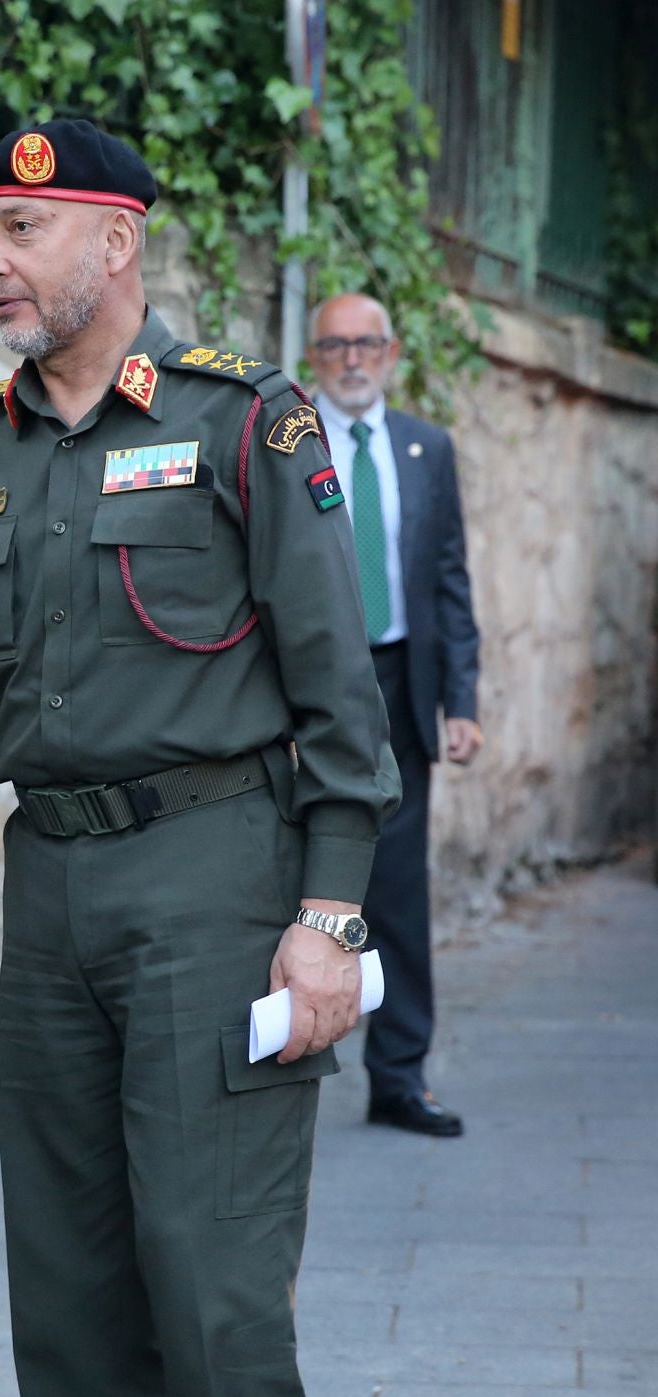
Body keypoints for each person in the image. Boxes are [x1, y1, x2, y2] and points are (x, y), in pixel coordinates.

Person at [0, 119, 400, 1396]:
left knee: (213, 1294)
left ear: (118, 239)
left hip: (213, 887)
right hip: (49, 890)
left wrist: (330, 915)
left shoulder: (244, 421)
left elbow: (339, 698)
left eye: (19, 230)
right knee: (67, 1296)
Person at [310, 292, 482, 1138]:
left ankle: (400, 1074)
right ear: (314, 355)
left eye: (366, 343)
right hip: (309, 687)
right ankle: (279, 1063)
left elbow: (450, 579)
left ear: (392, 351)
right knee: (286, 881)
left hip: (402, 687)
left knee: (399, 892)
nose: (352, 358)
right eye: (335, 344)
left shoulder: (426, 448)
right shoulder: (286, 441)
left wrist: (463, 702)